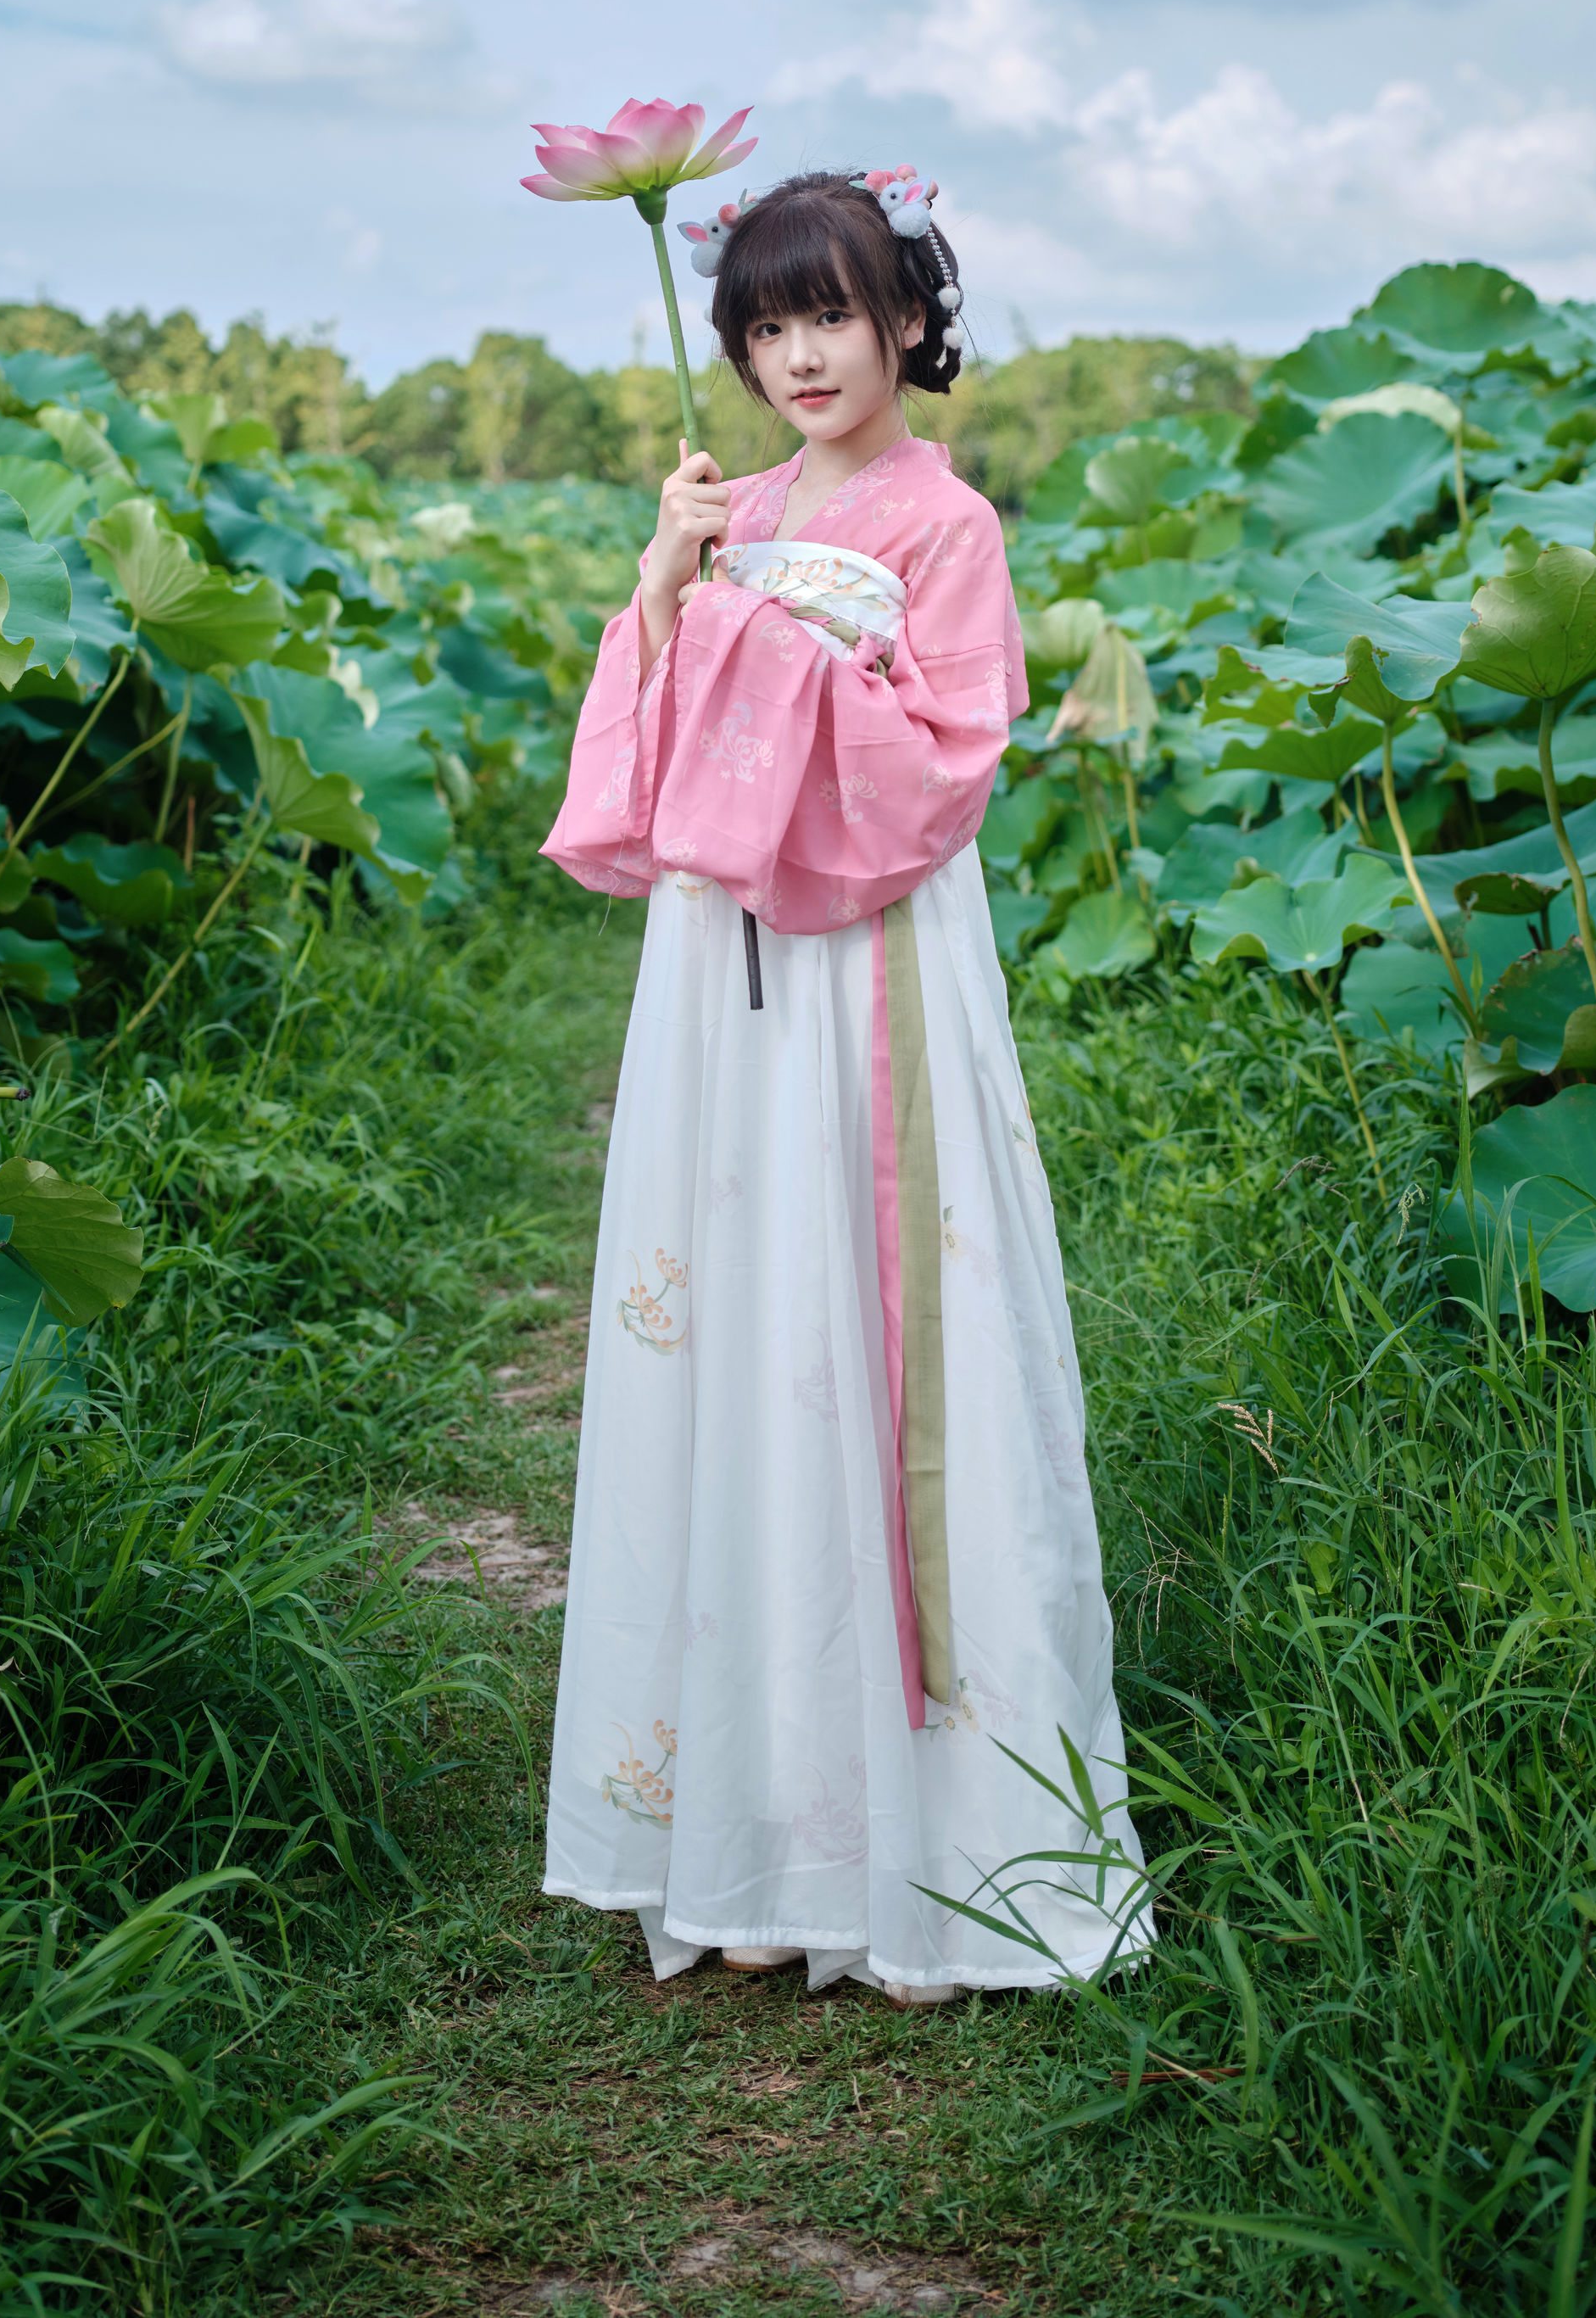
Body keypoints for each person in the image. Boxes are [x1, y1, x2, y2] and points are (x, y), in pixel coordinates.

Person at [539, 167, 1151, 2005]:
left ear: (906, 323)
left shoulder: (944, 524)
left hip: (862, 964)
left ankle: (935, 1857)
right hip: (719, 967)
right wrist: (665, 586)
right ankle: (741, 1834)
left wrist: (749, 638)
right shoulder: (739, 509)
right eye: (768, 321)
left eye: (837, 312)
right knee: (738, 1344)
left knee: (878, 1350)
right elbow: (653, 756)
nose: (802, 352)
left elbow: (938, 769)